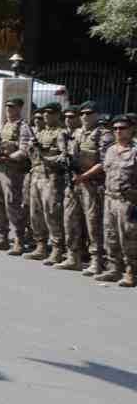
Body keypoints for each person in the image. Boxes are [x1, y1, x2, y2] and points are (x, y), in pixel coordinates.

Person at [84, 113, 137, 286]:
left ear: (131, 129)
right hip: (110, 198)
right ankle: (114, 268)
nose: (118, 131)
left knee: (128, 237)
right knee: (111, 235)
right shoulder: (111, 150)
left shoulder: (135, 150)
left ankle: (131, 272)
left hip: (128, 201)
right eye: (115, 129)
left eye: (122, 128)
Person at [0, 97, 34, 254]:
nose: (8, 110)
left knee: (12, 206)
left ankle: (19, 241)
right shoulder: (4, 126)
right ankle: (2, 238)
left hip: (13, 172)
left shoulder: (23, 127)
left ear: (19, 108)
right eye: (7, 107)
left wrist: (9, 157)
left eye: (12, 107)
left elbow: (25, 150)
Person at [27, 102, 71, 264]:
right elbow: (31, 156)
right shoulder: (40, 132)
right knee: (35, 212)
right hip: (36, 175)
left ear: (58, 115)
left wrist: (47, 159)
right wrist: (31, 148)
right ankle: (40, 245)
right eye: (45, 113)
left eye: (50, 113)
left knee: (51, 213)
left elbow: (64, 156)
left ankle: (57, 248)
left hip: (51, 177)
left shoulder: (61, 133)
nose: (46, 115)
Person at [67, 103, 108, 276]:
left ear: (97, 115)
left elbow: (104, 162)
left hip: (92, 184)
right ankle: (73, 256)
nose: (85, 116)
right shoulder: (76, 133)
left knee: (93, 223)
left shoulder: (104, 135)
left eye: (89, 113)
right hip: (75, 182)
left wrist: (84, 176)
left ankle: (96, 261)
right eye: (82, 113)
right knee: (70, 218)